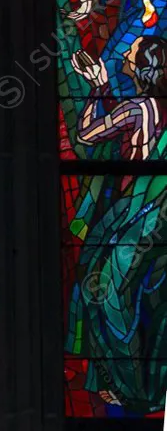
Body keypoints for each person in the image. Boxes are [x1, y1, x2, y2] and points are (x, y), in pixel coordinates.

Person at [64, 39, 167, 413]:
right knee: (147, 300)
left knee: (106, 291)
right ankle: (143, 384)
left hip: (138, 218)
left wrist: (98, 87)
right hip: (154, 221)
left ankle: (130, 385)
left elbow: (87, 135)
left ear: (142, 68)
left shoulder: (138, 109)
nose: (124, 54)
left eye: (131, 52)